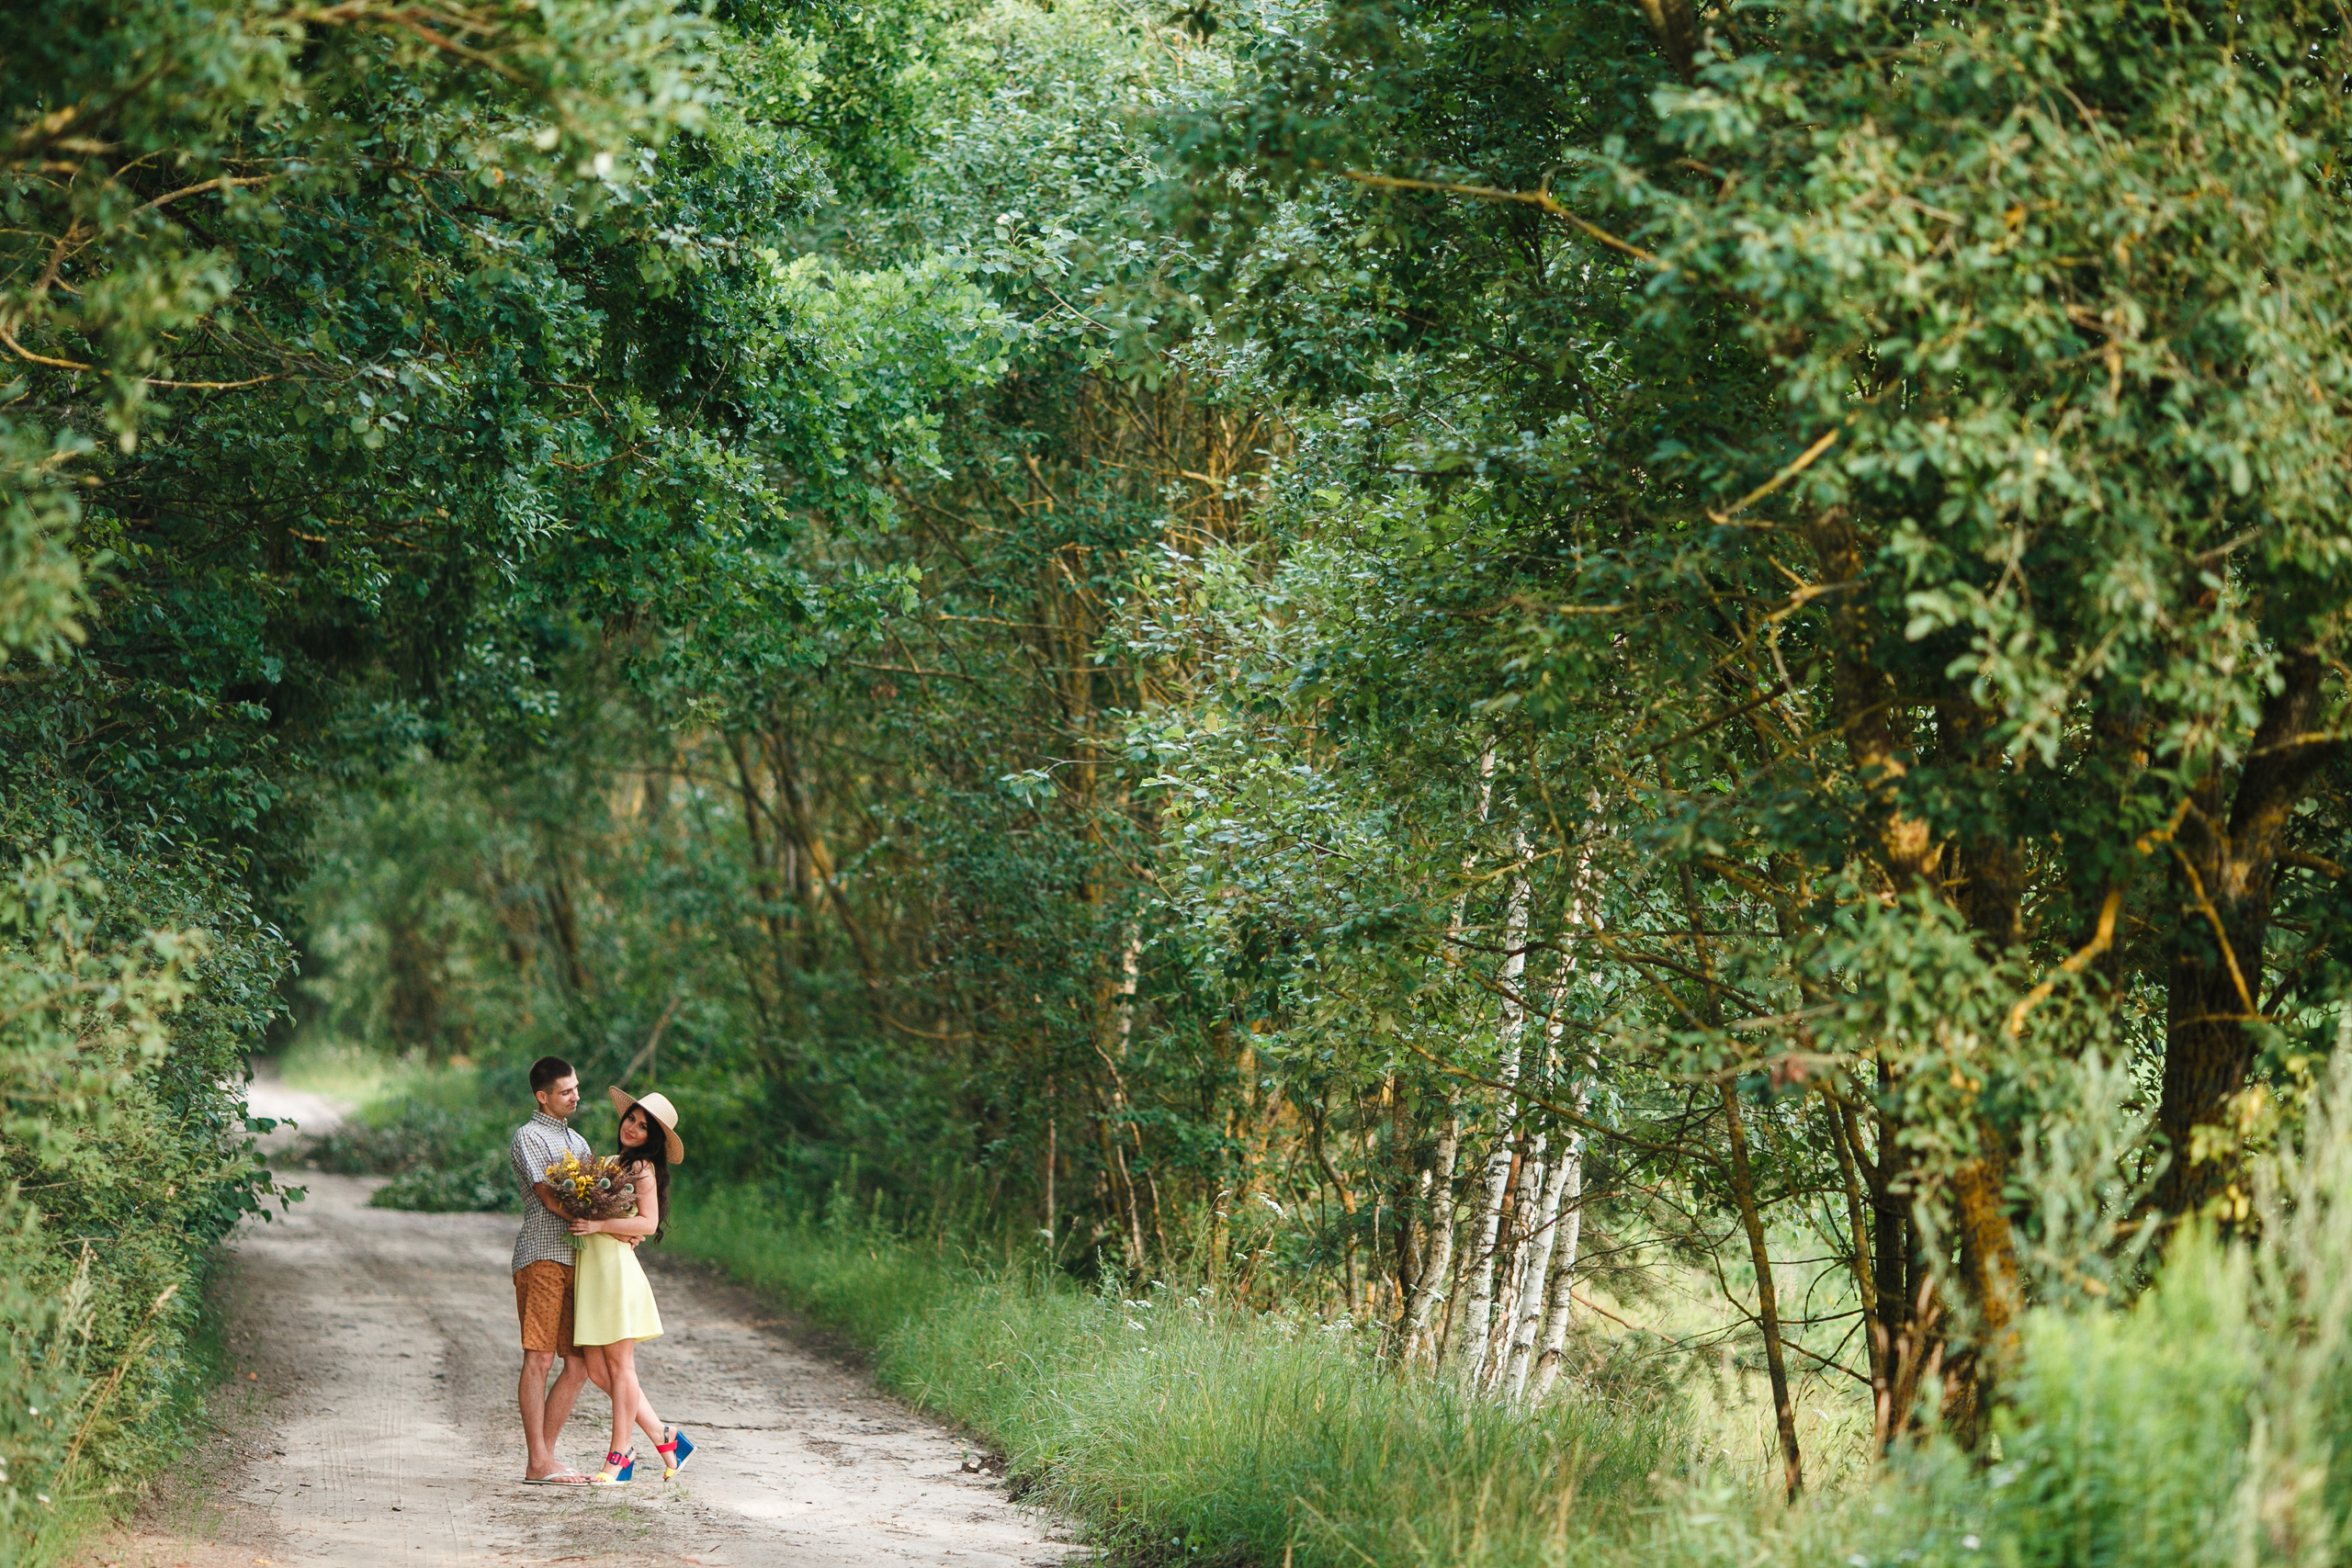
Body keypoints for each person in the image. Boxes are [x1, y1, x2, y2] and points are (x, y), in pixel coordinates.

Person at [570, 1087, 695, 1485]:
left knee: (621, 1368)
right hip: (591, 1272)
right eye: (632, 1119)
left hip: (615, 1274)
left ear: (652, 1139)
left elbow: (648, 1223)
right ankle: (666, 1438)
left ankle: (620, 1456)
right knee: (597, 1371)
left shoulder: (642, 1168)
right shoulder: (605, 1163)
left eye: (643, 1127)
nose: (633, 1128)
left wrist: (601, 1225)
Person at [511, 1055, 594, 1485]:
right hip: (542, 1255)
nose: (576, 1096)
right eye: (566, 1091)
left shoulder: (579, 1143)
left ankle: (542, 1459)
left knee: (578, 1363)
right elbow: (548, 1197)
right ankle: (539, 1461)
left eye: (576, 1088)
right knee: (540, 1357)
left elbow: (592, 1200)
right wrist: (589, 1217)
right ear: (542, 1097)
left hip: (577, 1259)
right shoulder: (528, 1137)